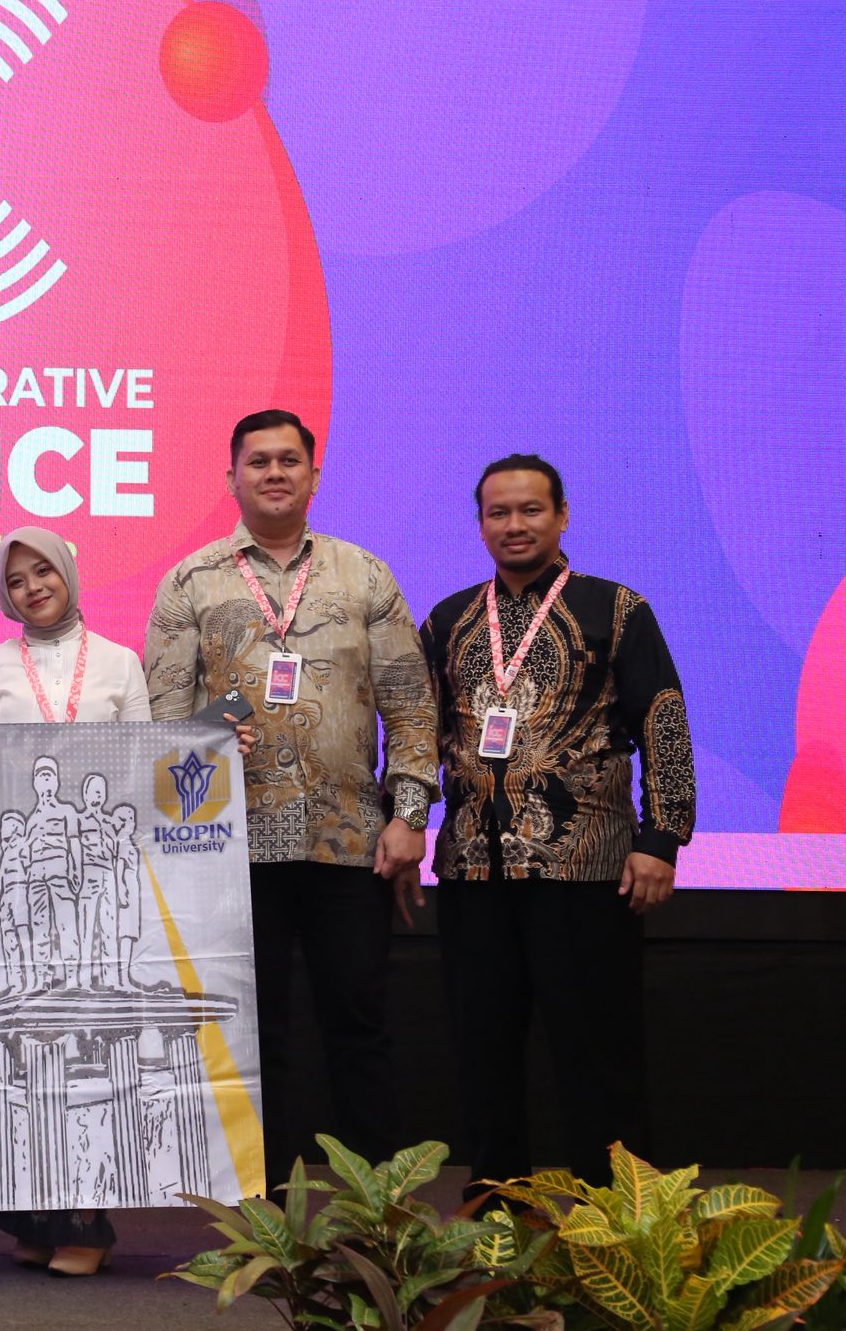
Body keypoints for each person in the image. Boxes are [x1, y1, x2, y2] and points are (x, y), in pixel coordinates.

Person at [143, 409, 437, 1187]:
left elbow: (411, 705)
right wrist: (204, 737)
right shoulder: (191, 581)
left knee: (359, 1026)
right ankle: (260, 1203)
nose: (274, 473)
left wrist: (410, 817)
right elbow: (161, 724)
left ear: (313, 474)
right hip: (233, 848)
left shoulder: (364, 574)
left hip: (352, 842)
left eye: (288, 461)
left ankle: (380, 1205)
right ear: (231, 477)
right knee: (251, 1034)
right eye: (259, 461)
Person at [420, 453, 692, 1195]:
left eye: (531, 510)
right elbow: (419, 734)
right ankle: (495, 1202)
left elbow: (663, 721)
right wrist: (406, 820)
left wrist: (662, 839)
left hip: (586, 868)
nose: (515, 525)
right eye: (498, 513)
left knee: (597, 1050)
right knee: (482, 1049)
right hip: (473, 868)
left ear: (562, 516)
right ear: (480, 525)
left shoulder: (617, 609)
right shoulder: (449, 619)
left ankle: (616, 1210)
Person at [0, 526, 151, 1276]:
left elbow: (142, 766)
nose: (32, 587)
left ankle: (87, 1223)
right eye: (16, 580)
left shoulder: (120, 662)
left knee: (85, 1038)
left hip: (92, 884)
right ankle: (32, 1218)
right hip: (21, 880)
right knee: (28, 1040)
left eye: (43, 571)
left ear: (68, 571)